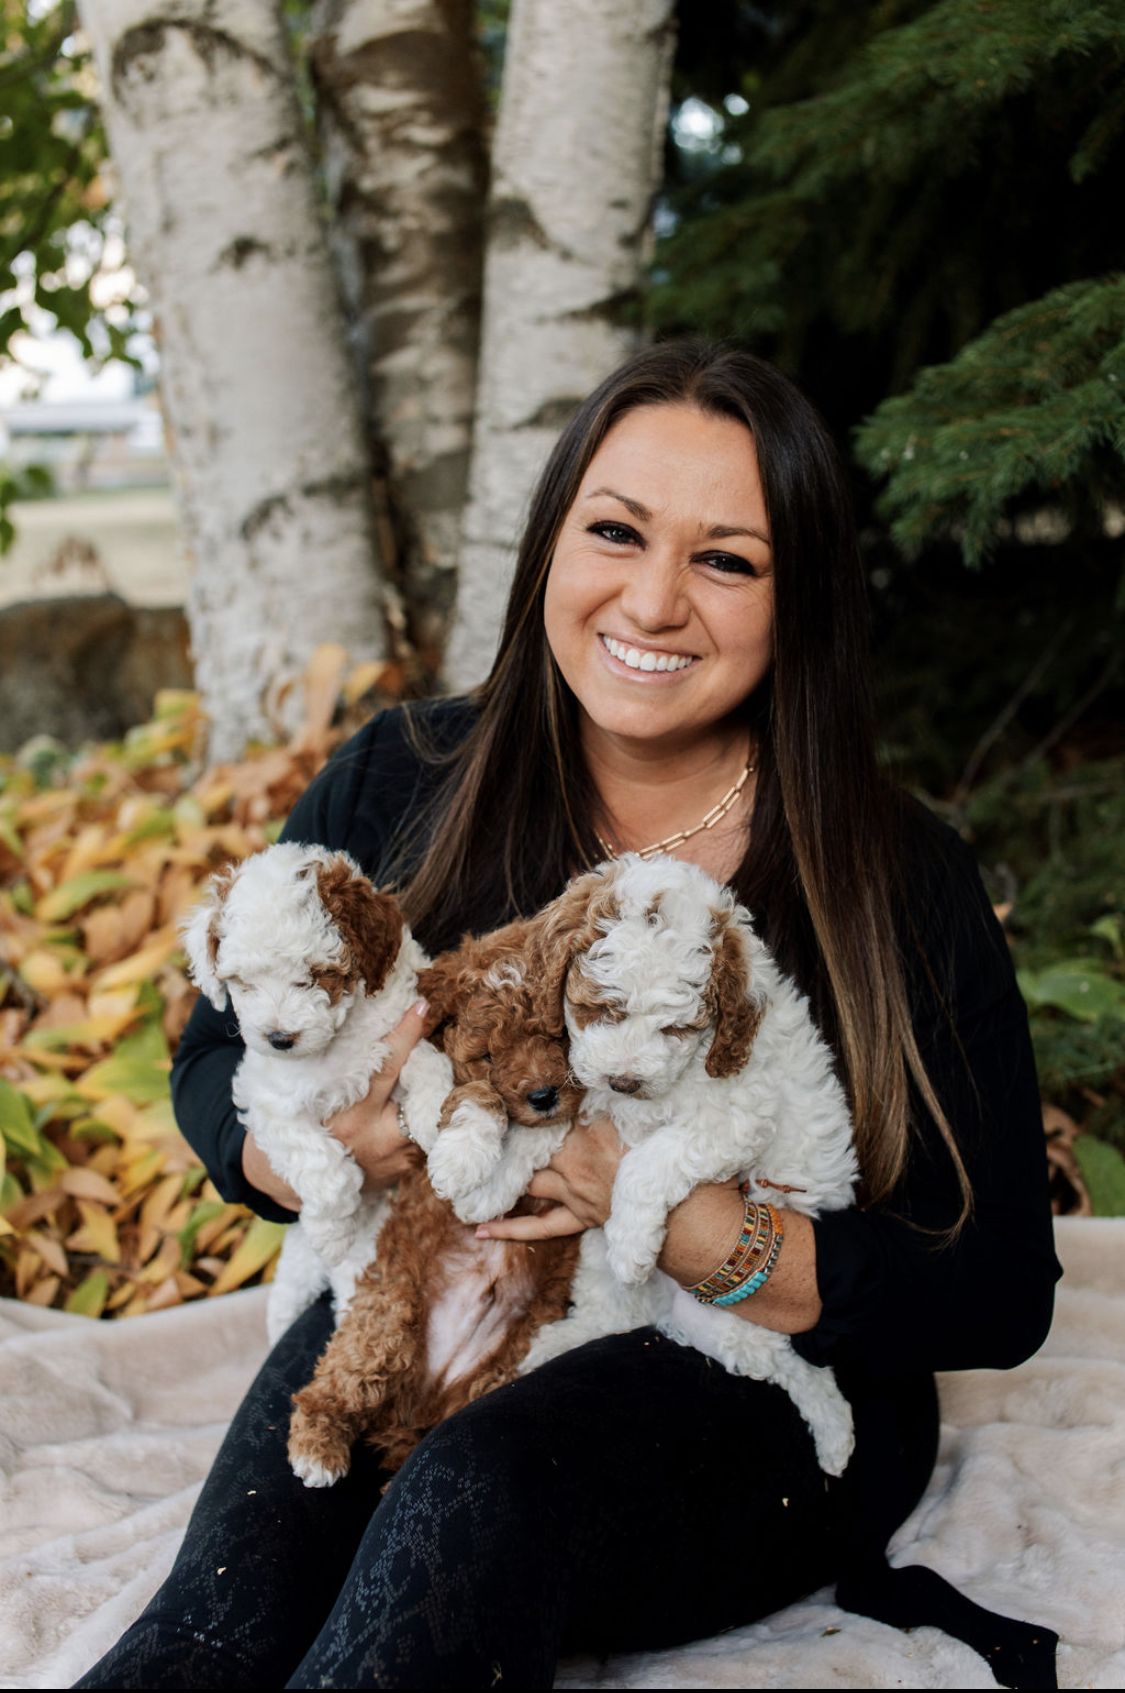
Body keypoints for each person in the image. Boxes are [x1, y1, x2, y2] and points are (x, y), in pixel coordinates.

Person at [76, 341, 1061, 1691]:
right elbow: (209, 1054)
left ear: (801, 602)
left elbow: (997, 1288)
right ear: (549, 541)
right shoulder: (403, 777)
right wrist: (313, 1151)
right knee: (223, 1608)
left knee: (476, 1486)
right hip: (450, 1285)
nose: (652, 601)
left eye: (727, 560)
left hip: (761, 1390)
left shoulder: (892, 874)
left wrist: (685, 1221)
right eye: (615, 532)